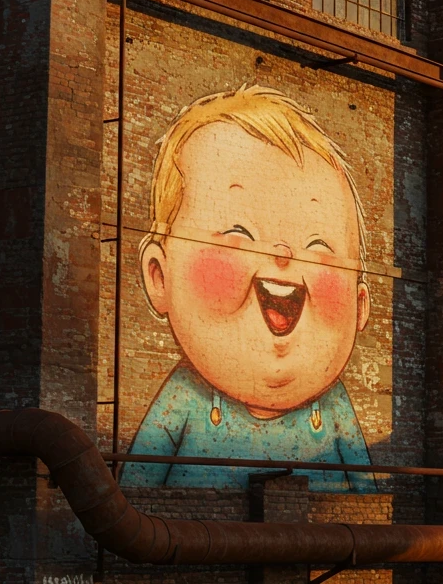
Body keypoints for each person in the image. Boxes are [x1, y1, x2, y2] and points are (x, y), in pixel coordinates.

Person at [121, 85, 377, 492]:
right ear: (159, 277)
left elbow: (370, 497)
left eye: (318, 245)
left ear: (359, 305)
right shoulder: (183, 399)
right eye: (238, 231)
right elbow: (131, 497)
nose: (283, 253)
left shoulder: (335, 407)